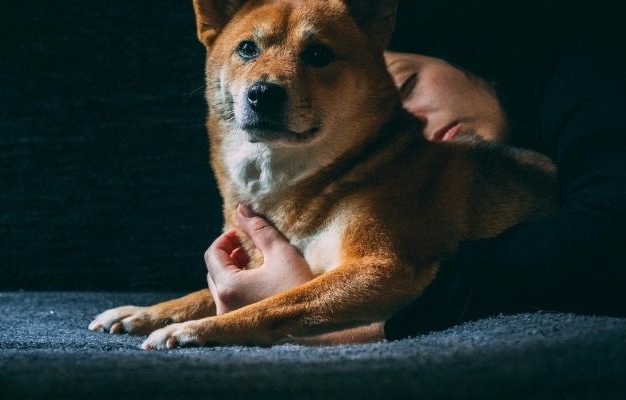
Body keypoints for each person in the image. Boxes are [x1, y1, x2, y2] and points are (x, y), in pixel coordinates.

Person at [204, 34, 626, 342]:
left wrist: (319, 324)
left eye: (405, 87)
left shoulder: (588, 73)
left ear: (452, 53)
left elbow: (606, 237)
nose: (408, 128)